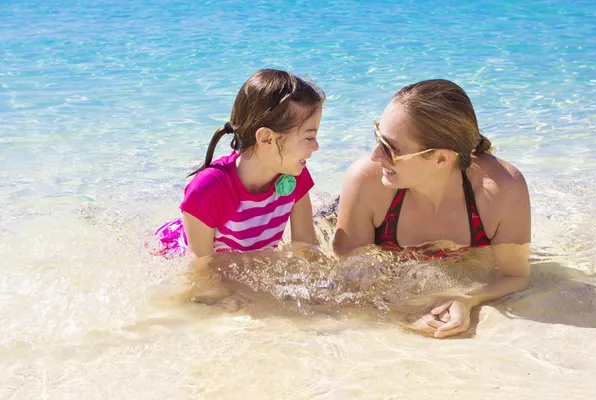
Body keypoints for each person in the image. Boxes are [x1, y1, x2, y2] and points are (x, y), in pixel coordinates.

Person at [333, 79, 531, 338]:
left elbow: (515, 275)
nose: (374, 156)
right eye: (377, 136)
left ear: (440, 158)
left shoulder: (501, 189)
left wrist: (465, 299)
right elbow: (350, 286)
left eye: (389, 148)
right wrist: (407, 310)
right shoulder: (365, 182)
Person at [155, 69, 325, 305]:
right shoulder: (209, 189)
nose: (316, 146)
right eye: (309, 137)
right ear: (266, 138)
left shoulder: (294, 175)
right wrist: (222, 300)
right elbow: (199, 269)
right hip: (177, 251)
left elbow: (306, 247)